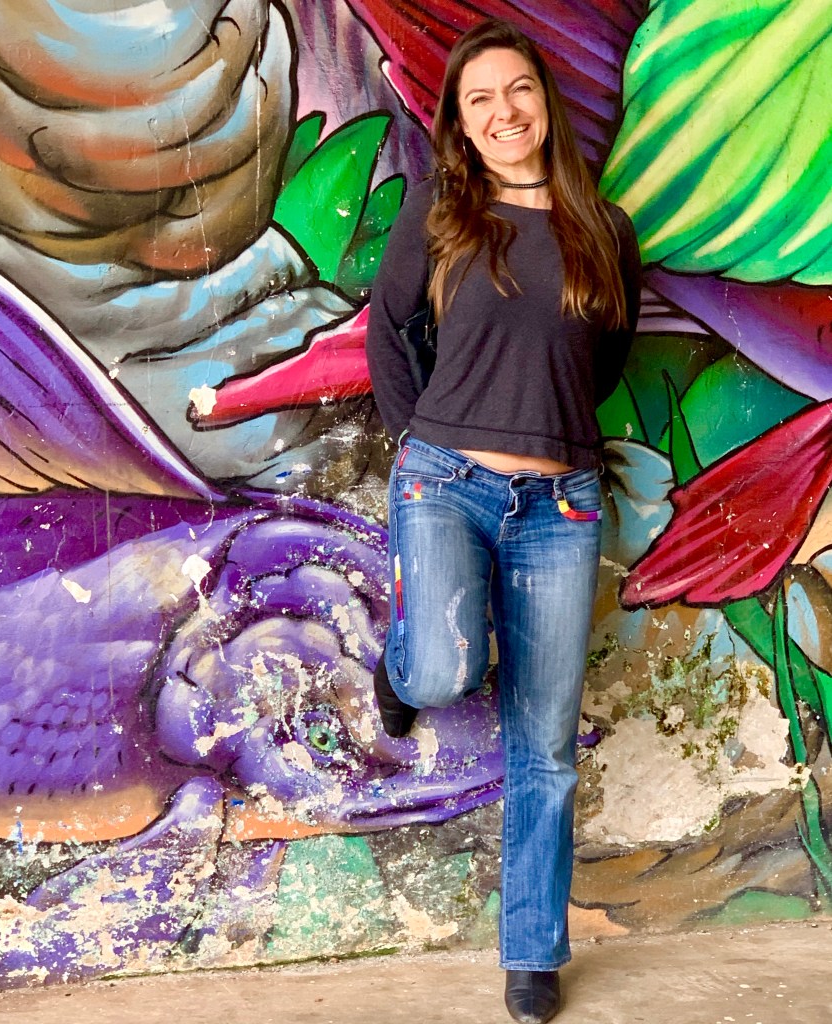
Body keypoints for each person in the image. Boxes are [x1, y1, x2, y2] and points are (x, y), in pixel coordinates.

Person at [365, 18, 641, 1024]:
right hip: (446, 481)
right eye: (478, 99)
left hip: (561, 506)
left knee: (545, 744)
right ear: (460, 121)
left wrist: (543, 422)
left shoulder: (603, 229)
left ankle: (530, 952)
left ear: (544, 103)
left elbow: (602, 359)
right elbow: (388, 328)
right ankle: (399, 674)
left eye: (517, 89)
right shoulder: (441, 212)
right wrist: (420, 440)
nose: (503, 112)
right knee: (444, 670)